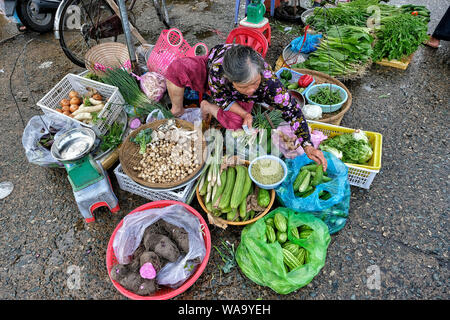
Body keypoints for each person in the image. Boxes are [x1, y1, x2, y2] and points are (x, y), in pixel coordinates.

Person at [164, 43, 327, 170]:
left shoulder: (269, 83)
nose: (251, 90)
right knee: (177, 69)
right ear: (230, 80)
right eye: (244, 87)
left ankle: (206, 106)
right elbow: (223, 100)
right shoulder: (217, 72)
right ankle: (186, 107)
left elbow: (293, 111)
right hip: (216, 68)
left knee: (236, 124)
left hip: (232, 80)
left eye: (255, 83)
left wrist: (307, 144)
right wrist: (244, 113)